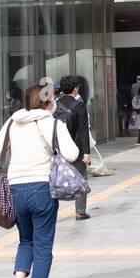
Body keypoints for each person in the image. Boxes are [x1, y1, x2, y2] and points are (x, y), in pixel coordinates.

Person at [0, 83, 76, 278]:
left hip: (16, 189)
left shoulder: (13, 121)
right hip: (41, 188)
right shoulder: (53, 123)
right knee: (43, 242)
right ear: (47, 102)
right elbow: (72, 153)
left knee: (25, 239)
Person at [55, 76, 93, 221]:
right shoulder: (79, 105)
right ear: (75, 88)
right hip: (75, 148)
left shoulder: (55, 105)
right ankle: (80, 212)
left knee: (55, 178)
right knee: (81, 178)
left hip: (58, 148)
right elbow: (83, 131)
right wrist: (86, 153)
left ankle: (53, 212)